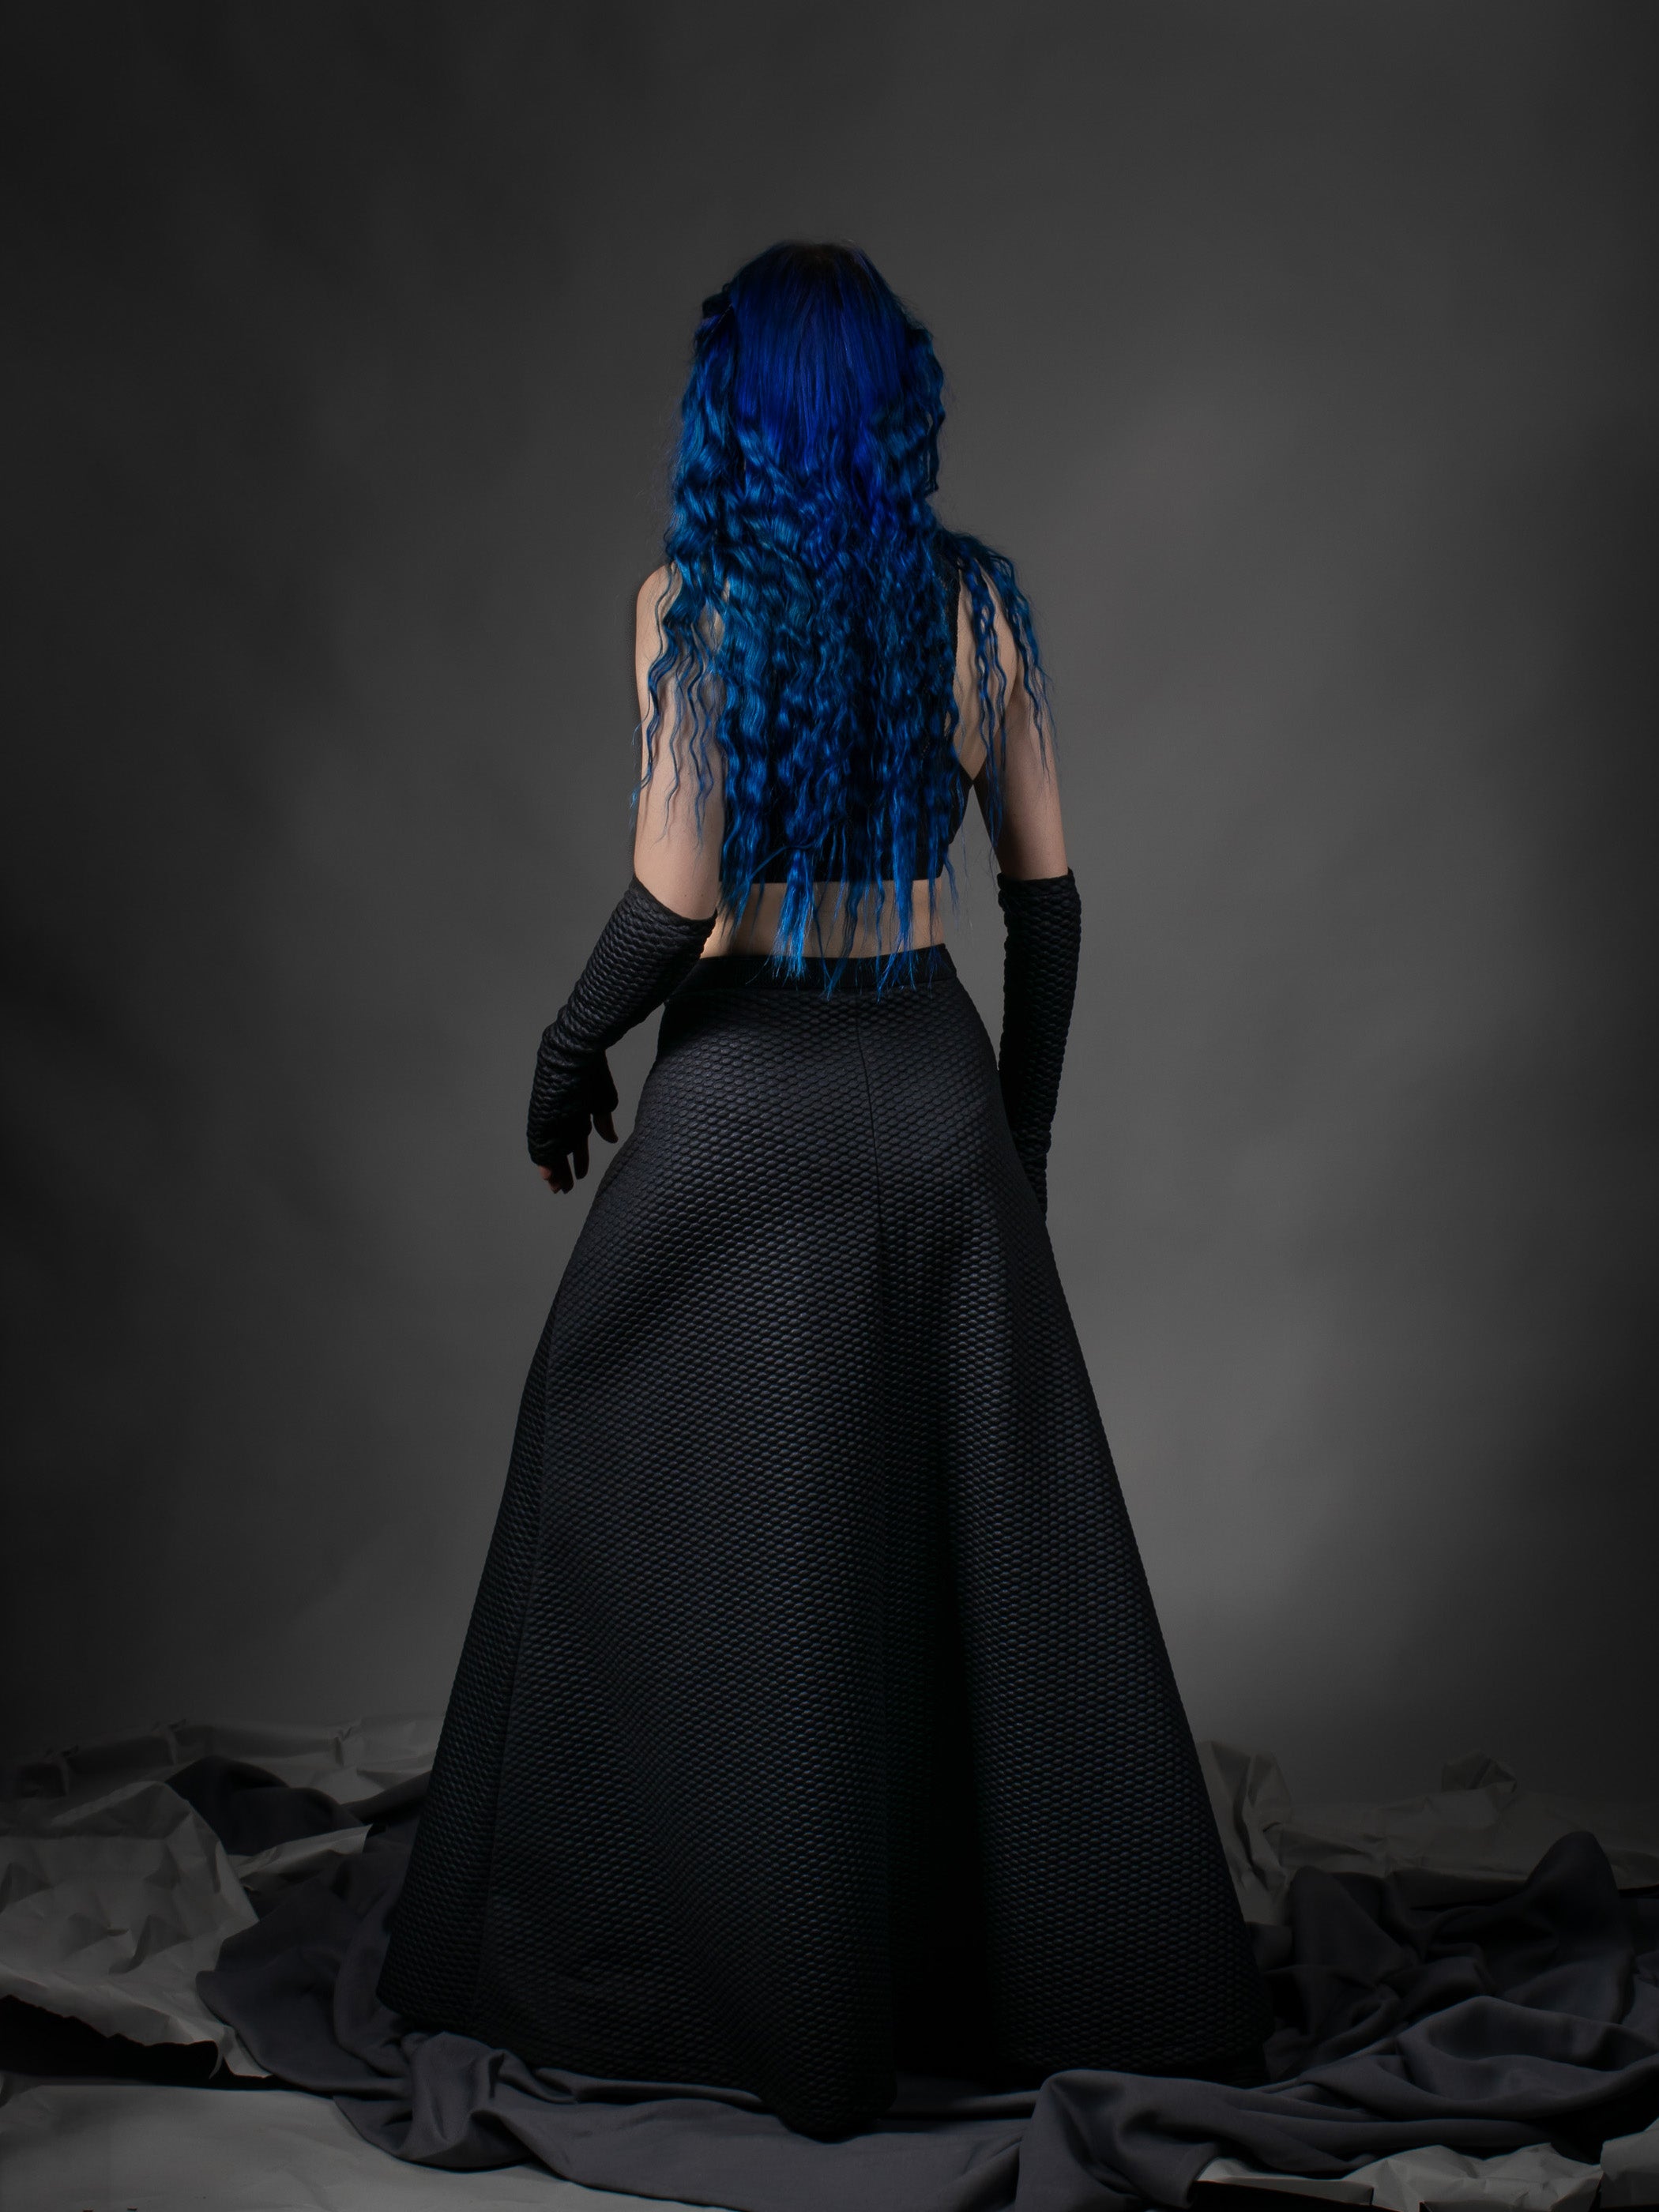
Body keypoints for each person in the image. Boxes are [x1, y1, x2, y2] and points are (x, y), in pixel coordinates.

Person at [375, 240, 1273, 2139]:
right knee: (953, 1533)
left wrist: (567, 1051)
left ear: (736, 413)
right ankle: (1010, 1965)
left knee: (641, 1484)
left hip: (745, 1115)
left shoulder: (690, 607)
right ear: (893, 409)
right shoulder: (980, 606)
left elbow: (676, 892)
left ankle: (669, 1956)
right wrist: (1018, 1145)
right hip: (929, 1097)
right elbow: (1048, 905)